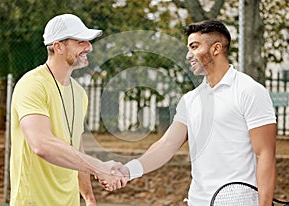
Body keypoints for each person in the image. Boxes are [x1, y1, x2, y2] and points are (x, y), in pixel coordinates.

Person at [113, 20, 277, 205]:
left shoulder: (250, 91)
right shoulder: (190, 100)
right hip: (197, 201)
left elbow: (265, 155)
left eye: (194, 47)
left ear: (216, 49)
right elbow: (166, 144)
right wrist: (128, 171)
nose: (188, 55)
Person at [10, 14, 125, 206]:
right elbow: (42, 144)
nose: (89, 47)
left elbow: (75, 148)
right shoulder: (32, 84)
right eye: (80, 42)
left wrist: (89, 197)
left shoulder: (79, 93)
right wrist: (99, 167)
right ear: (58, 47)